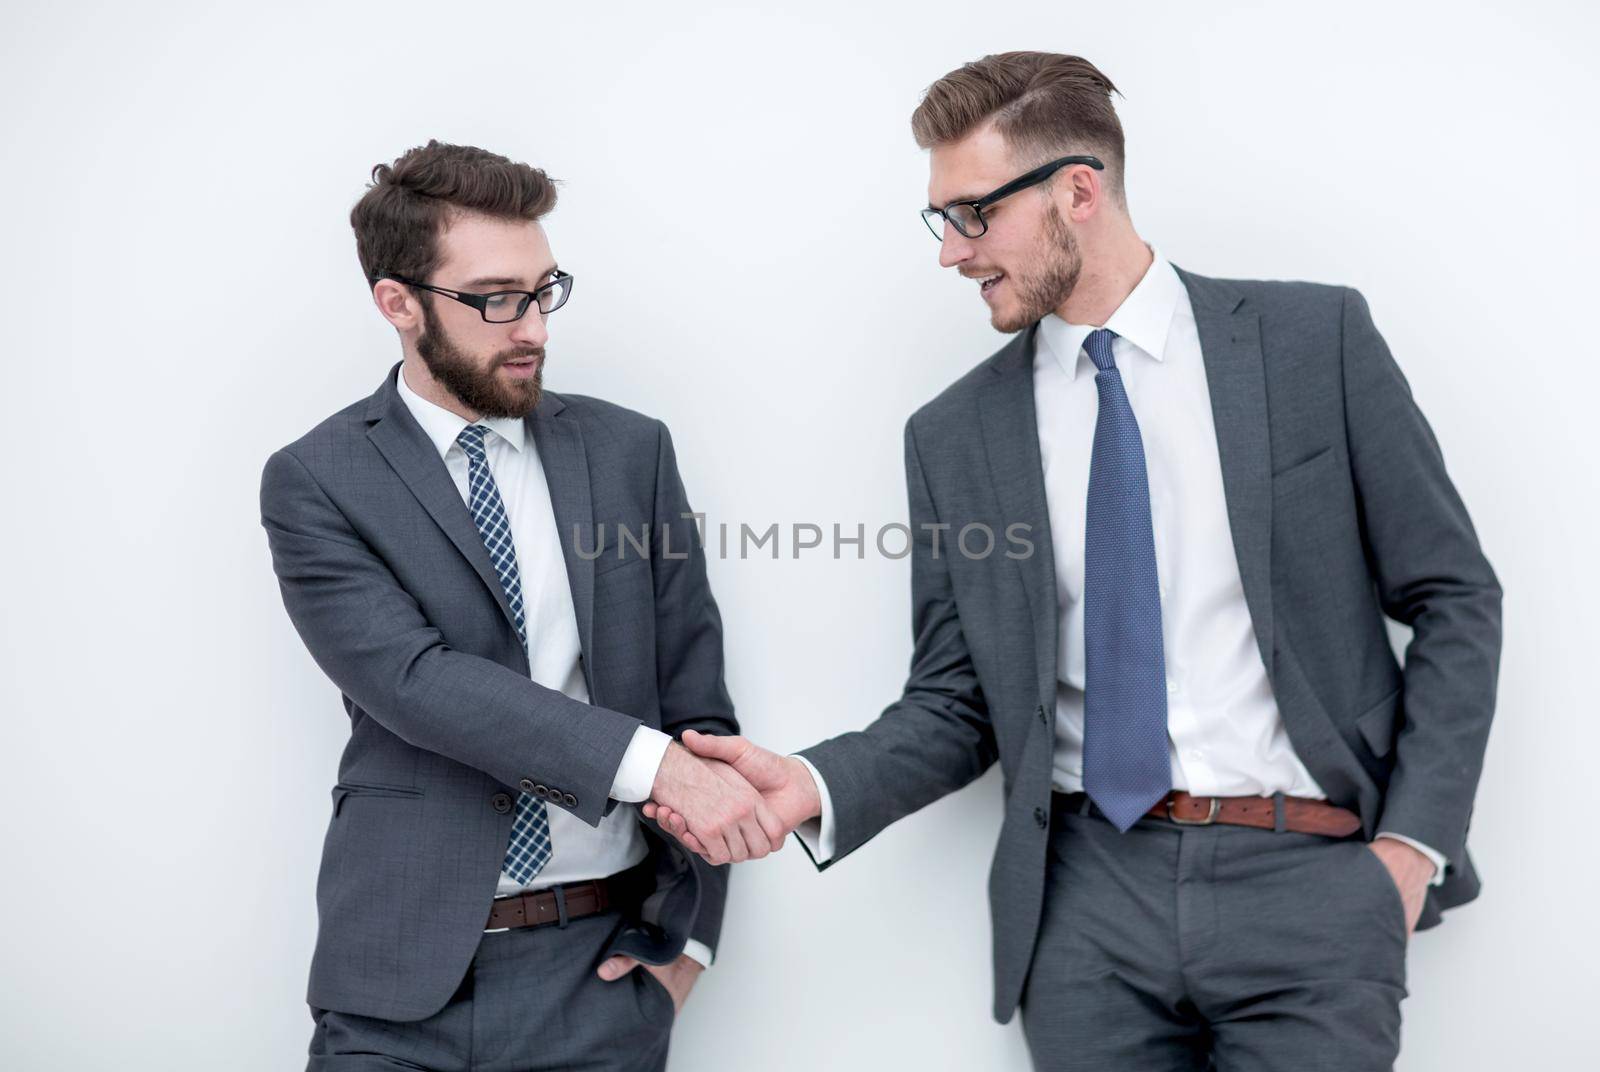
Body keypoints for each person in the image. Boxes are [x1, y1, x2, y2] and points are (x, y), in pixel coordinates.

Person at [649, 53, 1502, 1070]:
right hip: (1087, 905)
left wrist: (1409, 848)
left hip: (1309, 878)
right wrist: (813, 783)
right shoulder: (954, 434)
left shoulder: (1310, 342)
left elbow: (1454, 595)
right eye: (943, 220)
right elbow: (956, 700)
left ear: (1077, 192)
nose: (951, 252)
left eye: (971, 215)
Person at [259, 139, 781, 1071]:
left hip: (603, 980)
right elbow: (417, 682)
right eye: (496, 299)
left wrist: (689, 946)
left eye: (545, 290)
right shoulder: (317, 481)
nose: (533, 325)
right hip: (398, 988)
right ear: (398, 304)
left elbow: (696, 705)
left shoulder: (630, 453)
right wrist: (650, 766)